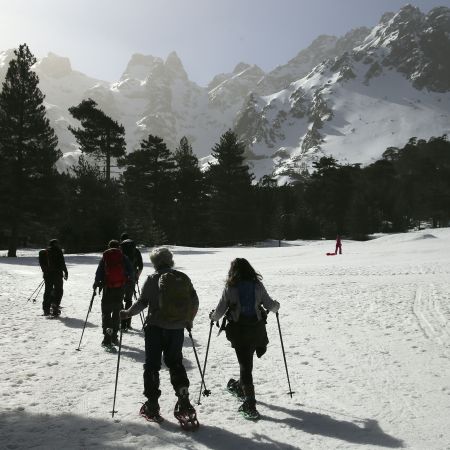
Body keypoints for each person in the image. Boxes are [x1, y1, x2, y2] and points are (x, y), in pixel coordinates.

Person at [120, 247, 199, 423]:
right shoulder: (182, 278)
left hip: (155, 328)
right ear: (170, 260)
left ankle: (152, 404)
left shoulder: (152, 279)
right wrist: (188, 320)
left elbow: (142, 303)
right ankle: (183, 394)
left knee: (152, 366)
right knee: (175, 363)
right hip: (177, 329)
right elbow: (193, 300)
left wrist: (127, 313)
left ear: (155, 262)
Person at [209, 258, 280, 420]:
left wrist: (212, 317)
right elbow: (271, 306)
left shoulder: (230, 287)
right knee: (247, 363)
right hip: (256, 330)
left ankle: (249, 401)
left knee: (245, 365)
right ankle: (241, 385)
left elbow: (219, 312)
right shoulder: (257, 285)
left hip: (239, 331)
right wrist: (277, 306)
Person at [93, 239, 132, 347]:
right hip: (120, 288)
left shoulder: (105, 257)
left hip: (107, 289)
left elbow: (99, 272)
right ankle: (114, 336)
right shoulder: (123, 257)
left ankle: (107, 335)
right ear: (118, 247)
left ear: (109, 246)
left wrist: (96, 283)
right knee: (116, 312)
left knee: (106, 312)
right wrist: (128, 281)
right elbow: (130, 272)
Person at [120, 232, 144, 331]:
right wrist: (136, 276)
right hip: (131, 278)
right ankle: (127, 323)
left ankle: (121, 323)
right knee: (129, 300)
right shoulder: (136, 251)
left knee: (120, 300)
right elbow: (141, 266)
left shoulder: (119, 250)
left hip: (120, 279)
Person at [38, 239, 68, 316]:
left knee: (48, 291)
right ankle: (55, 305)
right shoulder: (58, 251)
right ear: (55, 244)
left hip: (48, 275)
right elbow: (62, 263)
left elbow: (42, 264)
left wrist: (45, 272)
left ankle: (46, 309)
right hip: (57, 275)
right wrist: (65, 272)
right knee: (59, 290)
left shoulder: (44, 252)